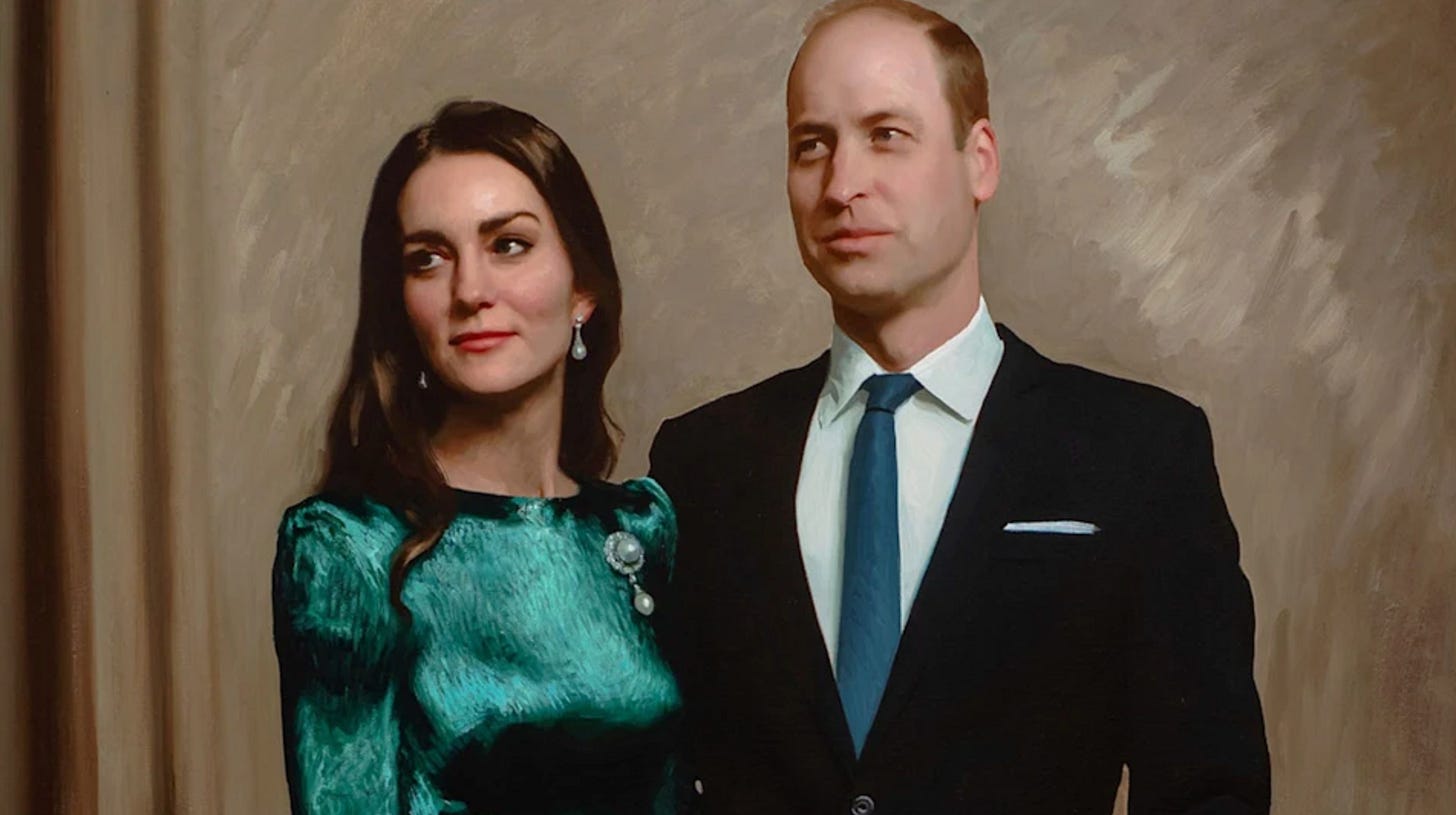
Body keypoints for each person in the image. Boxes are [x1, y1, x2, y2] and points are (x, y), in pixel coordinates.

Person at [649, 1, 1271, 813]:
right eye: (812, 145)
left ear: (980, 161)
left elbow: (1210, 792)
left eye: (887, 135)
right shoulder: (702, 463)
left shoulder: (1139, 450)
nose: (842, 184)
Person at [272, 100, 684, 815]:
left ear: (583, 289)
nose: (469, 291)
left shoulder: (641, 527)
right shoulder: (349, 547)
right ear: (402, 304)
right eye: (428, 259)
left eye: (509, 245)